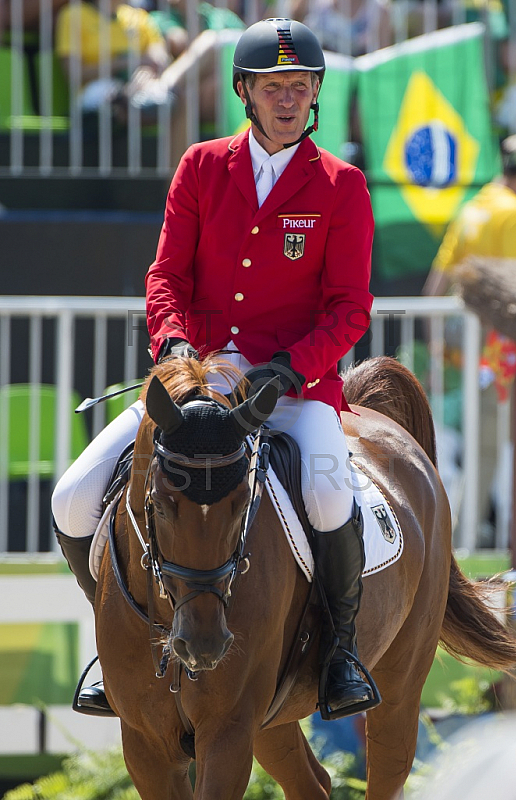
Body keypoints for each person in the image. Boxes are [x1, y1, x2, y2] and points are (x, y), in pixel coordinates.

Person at [52, 17, 379, 721]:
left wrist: (288, 370)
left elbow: (350, 310)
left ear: (315, 94)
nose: (288, 100)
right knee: (74, 497)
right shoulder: (202, 166)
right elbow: (166, 276)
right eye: (273, 87)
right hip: (195, 380)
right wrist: (174, 349)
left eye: (301, 87)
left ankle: (340, 653)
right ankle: (120, 644)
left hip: (289, 387)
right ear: (245, 92)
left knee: (329, 499)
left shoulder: (341, 185)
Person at [423, 133, 516, 539]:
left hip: (469, 353)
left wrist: (436, 340)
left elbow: (437, 282)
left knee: (483, 446)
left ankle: (462, 534)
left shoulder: (476, 205)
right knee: (492, 446)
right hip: (506, 354)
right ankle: (465, 538)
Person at [55, 0, 171, 120]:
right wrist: (124, 63)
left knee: (167, 96)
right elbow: (74, 74)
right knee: (122, 102)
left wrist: (145, 73)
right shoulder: (73, 14)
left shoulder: (138, 16)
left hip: (145, 87)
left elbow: (160, 59)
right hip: (95, 91)